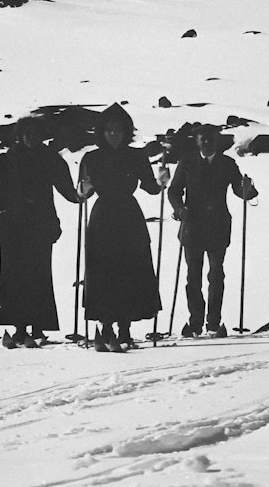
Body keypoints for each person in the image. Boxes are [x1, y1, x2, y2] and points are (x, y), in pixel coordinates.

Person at [78, 103, 167, 352]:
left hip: (128, 216)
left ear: (126, 131)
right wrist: (83, 190)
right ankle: (105, 326)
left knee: (130, 271)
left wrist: (161, 182)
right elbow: (83, 192)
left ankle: (125, 328)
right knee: (103, 271)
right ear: (102, 132)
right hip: (103, 217)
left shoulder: (136, 156)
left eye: (118, 129)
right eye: (109, 130)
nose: (114, 134)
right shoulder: (91, 157)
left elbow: (150, 186)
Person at [0, 116, 78, 348]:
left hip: (40, 223)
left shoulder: (51, 159)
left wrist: (81, 195)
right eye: (27, 133)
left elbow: (67, 188)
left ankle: (37, 326)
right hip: (13, 223)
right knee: (13, 275)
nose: (31, 137)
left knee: (39, 273)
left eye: (35, 133)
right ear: (20, 135)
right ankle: (19, 327)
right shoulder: (7, 159)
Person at [167, 123, 257, 338]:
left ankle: (213, 324)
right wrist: (179, 209)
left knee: (216, 275)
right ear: (197, 141)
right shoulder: (187, 161)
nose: (206, 142)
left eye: (210, 138)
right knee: (193, 277)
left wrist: (248, 190)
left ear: (216, 140)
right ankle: (195, 322)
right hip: (192, 226)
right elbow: (174, 191)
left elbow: (239, 189)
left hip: (217, 225)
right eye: (202, 138)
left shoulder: (228, 163)